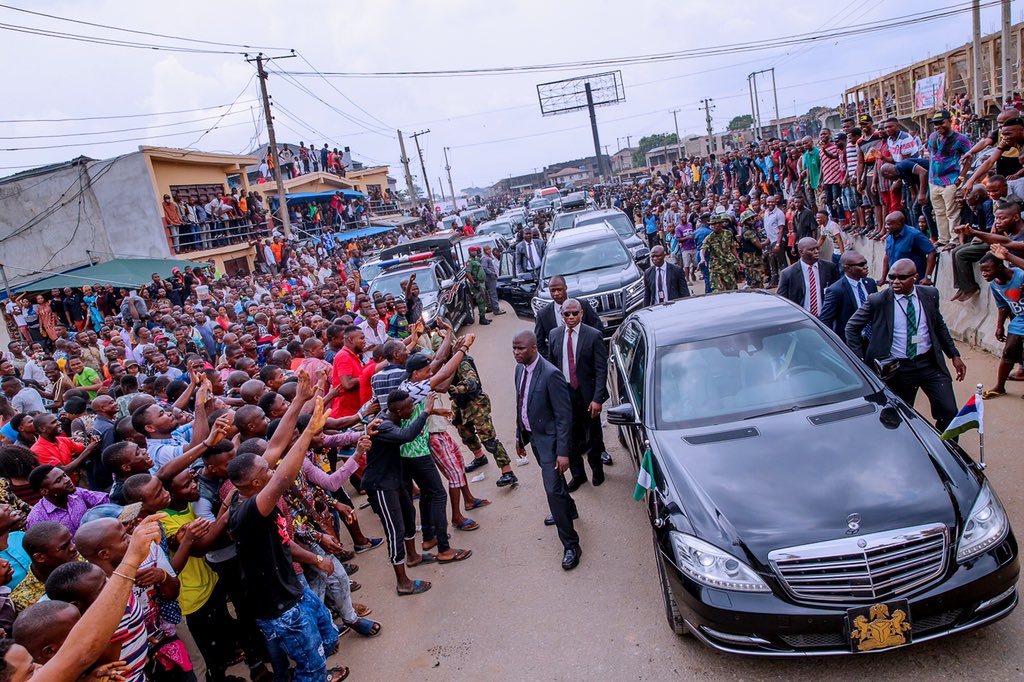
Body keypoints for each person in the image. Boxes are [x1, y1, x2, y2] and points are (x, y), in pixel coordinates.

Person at [227, 378, 345, 682]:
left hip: (293, 589)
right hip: (280, 606)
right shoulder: (250, 511)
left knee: (327, 636)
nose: (272, 467)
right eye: (266, 469)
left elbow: (277, 446)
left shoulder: (251, 487)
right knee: (311, 667)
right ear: (255, 484)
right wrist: (307, 433)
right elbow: (281, 476)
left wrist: (297, 402)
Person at [846, 258, 967, 432]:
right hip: (898, 369)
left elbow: (939, 326)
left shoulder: (930, 294)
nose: (895, 282)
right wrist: (860, 360)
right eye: (892, 277)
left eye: (902, 277)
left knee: (949, 412)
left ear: (915, 277)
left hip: (929, 364)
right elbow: (852, 327)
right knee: (897, 417)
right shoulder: (878, 300)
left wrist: (954, 355)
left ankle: (947, 450)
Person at [511, 330, 579, 571]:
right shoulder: (520, 369)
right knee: (557, 488)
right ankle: (568, 509)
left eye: (520, 349)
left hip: (551, 442)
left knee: (552, 490)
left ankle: (571, 544)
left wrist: (563, 452)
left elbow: (564, 416)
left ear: (534, 348)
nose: (516, 353)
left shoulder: (551, 375)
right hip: (535, 439)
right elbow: (521, 402)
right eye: (514, 349)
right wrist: (520, 437)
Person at [546, 299, 607, 495]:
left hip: (588, 395)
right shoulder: (554, 335)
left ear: (581, 313)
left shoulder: (593, 335)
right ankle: (578, 475)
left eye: (574, 313)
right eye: (566, 314)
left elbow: (601, 369)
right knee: (569, 438)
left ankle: (597, 470)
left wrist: (597, 398)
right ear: (561, 315)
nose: (571, 317)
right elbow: (552, 367)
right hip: (565, 395)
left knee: (593, 436)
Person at [977, 253, 1024, 398]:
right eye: (982, 271)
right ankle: (999, 386)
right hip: (1019, 320)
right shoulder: (994, 285)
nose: (984, 274)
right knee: (1008, 353)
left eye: (987, 270)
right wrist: (999, 326)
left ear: (999, 266)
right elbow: (1002, 306)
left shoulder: (1020, 275)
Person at [926, 109, 973, 247]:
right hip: (934, 180)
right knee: (939, 212)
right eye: (936, 124)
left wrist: (962, 176)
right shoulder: (932, 137)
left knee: (952, 212)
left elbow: (969, 158)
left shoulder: (961, 139)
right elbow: (931, 156)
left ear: (950, 122)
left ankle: (954, 240)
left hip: (951, 179)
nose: (938, 126)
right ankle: (943, 239)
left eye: (941, 123)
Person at [534, 276, 603, 361]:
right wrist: (551, 359)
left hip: (585, 361)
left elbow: (598, 328)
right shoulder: (543, 315)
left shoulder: (583, 305)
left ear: (566, 288)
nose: (556, 293)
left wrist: (590, 351)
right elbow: (538, 342)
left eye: (559, 290)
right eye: (553, 290)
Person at [25, 466, 109, 536]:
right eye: (58, 480)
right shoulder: (37, 518)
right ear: (45, 491)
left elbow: (105, 501)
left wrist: (97, 513)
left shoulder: (77, 493)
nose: (67, 480)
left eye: (64, 475)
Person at [820, 251, 878, 349]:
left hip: (872, 341)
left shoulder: (870, 283)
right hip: (851, 344)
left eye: (865, 263)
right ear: (847, 268)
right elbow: (825, 320)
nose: (865, 267)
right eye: (861, 264)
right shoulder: (836, 290)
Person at [776, 237, 838, 317]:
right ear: (801, 252)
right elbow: (782, 301)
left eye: (817, 248)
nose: (816, 252)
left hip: (825, 319)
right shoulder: (788, 274)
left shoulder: (829, 268)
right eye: (811, 250)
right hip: (801, 319)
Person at [880, 211, 936, 284]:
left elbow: (932, 252)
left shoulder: (914, 235)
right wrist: (883, 277)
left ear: (899, 224)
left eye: (888, 224)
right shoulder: (890, 235)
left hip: (912, 281)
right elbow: (887, 255)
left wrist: (927, 277)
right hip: (895, 280)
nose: (885, 227)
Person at [703, 213, 741, 292]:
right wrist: (702, 258)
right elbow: (703, 249)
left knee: (732, 289)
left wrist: (738, 260)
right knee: (717, 290)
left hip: (728, 265)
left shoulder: (728, 233)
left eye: (715, 224)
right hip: (716, 267)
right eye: (711, 224)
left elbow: (732, 247)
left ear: (720, 224)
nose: (713, 226)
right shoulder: (710, 237)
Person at [463, 246, 491, 325]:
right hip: (476, 283)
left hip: (481, 282)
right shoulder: (469, 262)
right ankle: (481, 319)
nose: (475, 252)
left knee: (484, 299)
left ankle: (484, 317)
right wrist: (474, 283)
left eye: (475, 251)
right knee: (480, 300)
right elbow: (468, 273)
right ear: (469, 252)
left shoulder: (476, 260)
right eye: (473, 251)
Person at [480, 245, 504, 316]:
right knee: (493, 294)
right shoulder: (484, 258)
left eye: (489, 249)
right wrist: (493, 273)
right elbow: (484, 268)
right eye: (487, 250)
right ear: (484, 251)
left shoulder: (489, 257)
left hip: (492, 278)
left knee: (494, 293)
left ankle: (496, 308)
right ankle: (496, 310)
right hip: (490, 278)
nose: (489, 251)